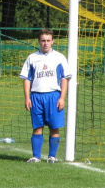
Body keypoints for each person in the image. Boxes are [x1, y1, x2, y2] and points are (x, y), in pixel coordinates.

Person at [19, 28, 72, 163]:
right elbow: (27, 79)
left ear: (53, 41)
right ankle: (36, 156)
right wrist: (27, 97)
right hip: (36, 96)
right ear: (39, 41)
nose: (46, 43)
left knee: (54, 127)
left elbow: (64, 79)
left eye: (48, 40)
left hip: (54, 96)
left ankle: (52, 156)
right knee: (37, 127)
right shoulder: (32, 58)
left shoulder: (59, 58)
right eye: (43, 40)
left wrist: (62, 97)